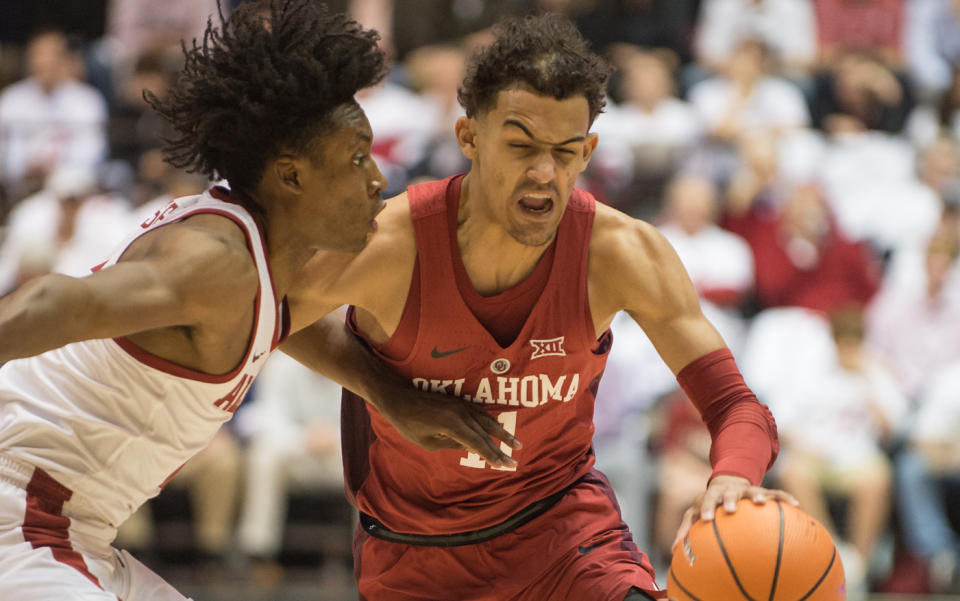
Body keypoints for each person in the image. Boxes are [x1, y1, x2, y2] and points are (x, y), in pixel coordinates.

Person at [285, 14, 790, 601]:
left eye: (565, 151)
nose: (545, 173)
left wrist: (731, 476)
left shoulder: (621, 252)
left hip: (567, 542)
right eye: (521, 146)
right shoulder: (389, 245)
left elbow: (737, 406)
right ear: (469, 137)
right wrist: (387, 392)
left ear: (589, 150)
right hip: (413, 557)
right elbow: (264, 318)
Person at [0, 3, 487, 600]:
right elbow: (51, 300)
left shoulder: (261, 261)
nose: (378, 179)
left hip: (76, 530)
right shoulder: (216, 262)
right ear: (291, 176)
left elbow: (285, 323)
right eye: (357, 158)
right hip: (17, 514)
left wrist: (387, 393)